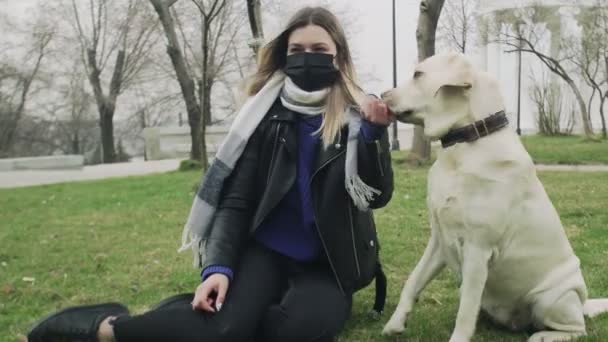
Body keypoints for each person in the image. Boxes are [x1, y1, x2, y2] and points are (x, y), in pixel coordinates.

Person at [27, 6, 394, 342]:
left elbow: (375, 196)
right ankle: (103, 327)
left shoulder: (358, 117)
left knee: (293, 332)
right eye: (297, 50)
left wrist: (374, 137)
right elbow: (235, 201)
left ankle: (189, 316)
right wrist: (217, 268)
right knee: (226, 330)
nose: (307, 57)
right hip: (266, 250)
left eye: (318, 49)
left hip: (325, 263)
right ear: (284, 55)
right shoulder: (262, 116)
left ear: (338, 56)